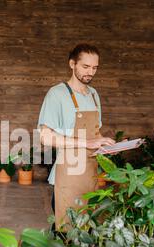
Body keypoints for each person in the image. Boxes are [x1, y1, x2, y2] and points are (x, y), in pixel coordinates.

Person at [37, 43, 116, 230]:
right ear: (72, 64)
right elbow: (46, 138)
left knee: (90, 229)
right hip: (69, 173)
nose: (91, 72)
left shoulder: (94, 95)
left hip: (91, 173)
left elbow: (95, 133)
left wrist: (106, 144)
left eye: (95, 68)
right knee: (67, 230)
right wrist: (87, 142)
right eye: (85, 67)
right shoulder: (57, 94)